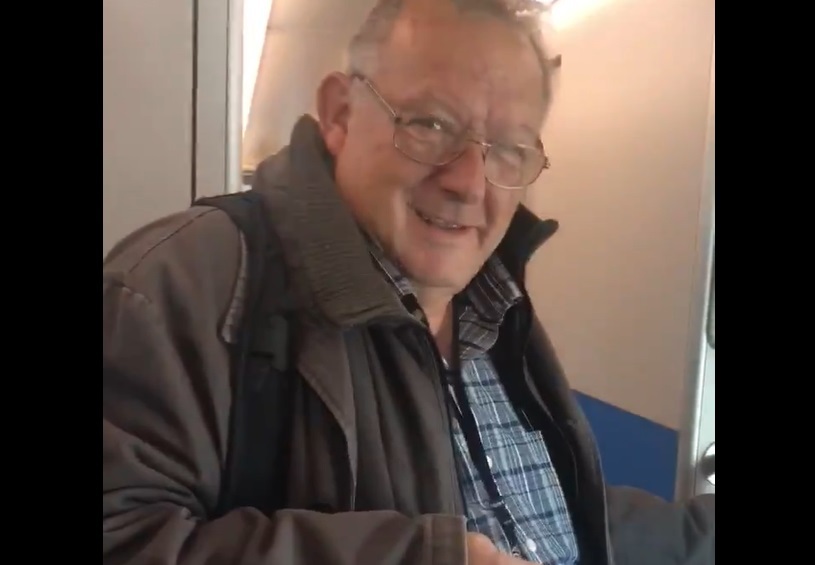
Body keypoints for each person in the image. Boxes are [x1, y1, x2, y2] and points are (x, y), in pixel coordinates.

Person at [102, 0, 715, 563]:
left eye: (509, 150)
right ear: (340, 114)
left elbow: (551, 515)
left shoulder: (497, 306)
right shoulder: (181, 283)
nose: (469, 183)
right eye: (432, 124)